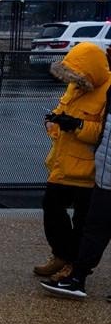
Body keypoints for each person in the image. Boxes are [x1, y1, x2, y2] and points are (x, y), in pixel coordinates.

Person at [32, 41, 110, 283]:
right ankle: (62, 254)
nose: (74, 80)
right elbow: (61, 110)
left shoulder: (107, 91)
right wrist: (54, 122)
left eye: (78, 75)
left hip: (89, 169)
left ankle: (72, 263)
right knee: (51, 209)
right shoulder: (75, 87)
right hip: (62, 163)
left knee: (82, 221)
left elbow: (104, 132)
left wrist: (77, 125)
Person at [41, 110, 111, 300]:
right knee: (92, 228)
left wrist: (78, 125)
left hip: (94, 173)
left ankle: (76, 273)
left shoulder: (104, 96)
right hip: (98, 174)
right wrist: (54, 123)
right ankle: (74, 273)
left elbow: (99, 131)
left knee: (90, 225)